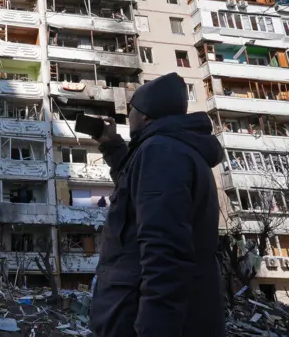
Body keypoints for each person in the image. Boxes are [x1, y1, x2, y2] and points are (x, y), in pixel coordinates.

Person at [89, 72, 225, 337]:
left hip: (137, 318)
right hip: (142, 312)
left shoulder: (161, 153)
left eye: (131, 111)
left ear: (146, 116)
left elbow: (165, 252)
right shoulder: (171, 151)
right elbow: (136, 195)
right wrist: (113, 146)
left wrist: (153, 329)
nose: (128, 117)